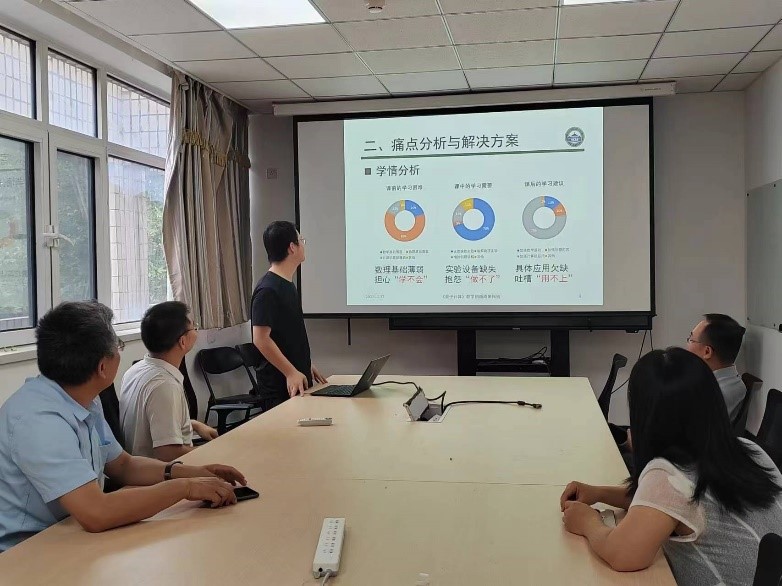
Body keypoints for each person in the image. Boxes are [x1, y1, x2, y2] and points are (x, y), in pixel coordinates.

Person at [0, 301, 246, 552]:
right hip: (26, 552)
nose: (120, 351)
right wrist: (186, 488)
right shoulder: (39, 421)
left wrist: (192, 472)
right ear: (102, 367)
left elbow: (123, 466)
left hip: (69, 533)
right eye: (118, 346)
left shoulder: (84, 399)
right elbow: (97, 512)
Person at [561, 348, 782, 585]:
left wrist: (587, 522)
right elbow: (668, 504)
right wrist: (600, 493)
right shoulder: (750, 449)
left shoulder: (669, 475)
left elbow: (622, 555)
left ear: (646, 415)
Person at [120, 301, 218, 460]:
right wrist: (212, 453)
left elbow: (150, 423)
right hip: (161, 471)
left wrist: (193, 424)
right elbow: (168, 453)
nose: (196, 330)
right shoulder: (165, 386)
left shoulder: (135, 370)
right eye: (194, 327)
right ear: (182, 341)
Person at [251, 221, 326, 410]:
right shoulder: (268, 289)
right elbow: (260, 339)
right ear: (292, 247)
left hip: (295, 378)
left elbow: (286, 335)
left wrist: (305, 364)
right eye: (301, 240)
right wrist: (290, 372)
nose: (304, 245)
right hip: (279, 386)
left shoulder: (286, 284)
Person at [686, 313, 747, 421]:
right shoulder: (723, 382)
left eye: (691, 339)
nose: (687, 345)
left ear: (707, 351)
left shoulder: (715, 394)